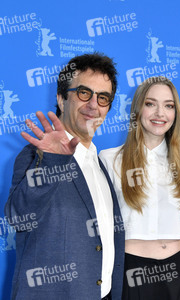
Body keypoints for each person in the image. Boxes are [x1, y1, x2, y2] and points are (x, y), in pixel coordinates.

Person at [5, 53, 125, 299]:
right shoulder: (35, 156)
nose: (93, 105)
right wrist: (52, 161)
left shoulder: (99, 164)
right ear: (61, 99)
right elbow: (18, 218)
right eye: (84, 93)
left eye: (103, 98)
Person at [99, 76, 180, 299]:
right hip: (133, 274)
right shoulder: (109, 161)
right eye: (150, 104)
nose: (160, 113)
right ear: (137, 110)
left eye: (169, 106)